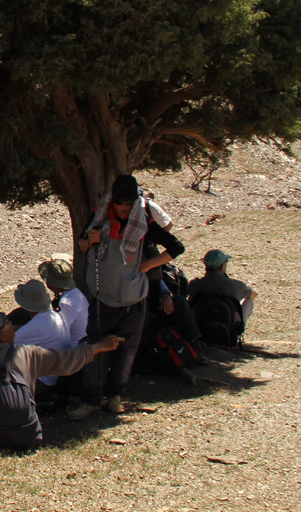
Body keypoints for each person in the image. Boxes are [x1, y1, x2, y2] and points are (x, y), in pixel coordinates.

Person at [68, 174, 186, 420]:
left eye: (129, 203)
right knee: (97, 349)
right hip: (102, 296)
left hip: (133, 299)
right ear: (112, 200)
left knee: (127, 351)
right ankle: (91, 400)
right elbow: (81, 244)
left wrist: (148, 265)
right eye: (119, 202)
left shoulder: (144, 223)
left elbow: (176, 247)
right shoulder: (99, 216)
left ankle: (115, 397)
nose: (123, 207)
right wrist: (88, 241)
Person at [0, 312, 124, 450]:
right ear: (3, 336)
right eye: (12, 330)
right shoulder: (27, 354)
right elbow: (65, 359)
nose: (15, 333)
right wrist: (98, 347)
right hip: (28, 432)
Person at [12, 279, 71, 404]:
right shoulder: (54, 315)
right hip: (58, 376)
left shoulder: (34, 326)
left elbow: (7, 343)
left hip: (44, 382)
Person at [189, 249, 258, 342]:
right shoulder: (235, 285)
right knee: (250, 299)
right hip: (228, 332)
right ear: (222, 267)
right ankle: (239, 331)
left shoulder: (195, 284)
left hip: (200, 332)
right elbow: (254, 294)